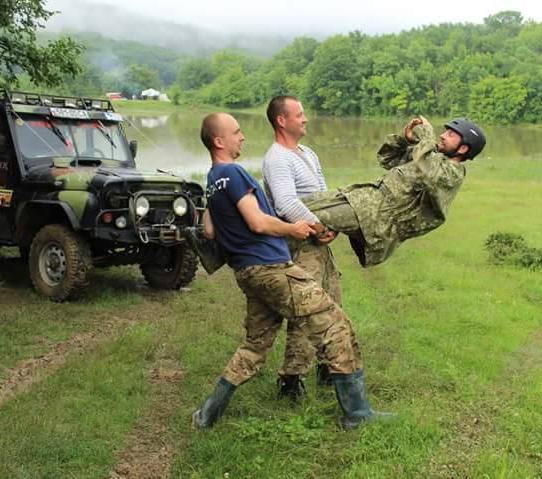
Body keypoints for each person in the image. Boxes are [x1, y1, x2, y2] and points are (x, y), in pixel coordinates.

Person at [191, 112, 391, 430]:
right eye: (237, 132)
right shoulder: (235, 172)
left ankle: (207, 414)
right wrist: (293, 227)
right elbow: (257, 221)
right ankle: (357, 414)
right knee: (335, 326)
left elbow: (210, 231)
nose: (242, 137)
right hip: (271, 269)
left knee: (254, 346)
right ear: (219, 141)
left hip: (247, 274)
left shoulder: (214, 179)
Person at [301, 116, 486, 267]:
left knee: (304, 216)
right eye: (445, 131)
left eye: (451, 134)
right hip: (363, 199)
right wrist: (405, 139)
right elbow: (387, 159)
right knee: (301, 204)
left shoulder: (451, 173)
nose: (443, 135)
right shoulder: (432, 158)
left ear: (463, 148)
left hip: (376, 217)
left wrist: (426, 137)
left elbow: (428, 171)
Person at [262, 96, 348, 398]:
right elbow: (285, 203)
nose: (306, 118)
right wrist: (319, 226)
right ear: (281, 121)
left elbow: (321, 195)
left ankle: (328, 366)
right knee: (306, 309)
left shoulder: (307, 153)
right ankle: (291, 379)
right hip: (299, 243)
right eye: (299, 114)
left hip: (319, 242)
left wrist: (330, 226)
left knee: (332, 303)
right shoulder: (277, 158)